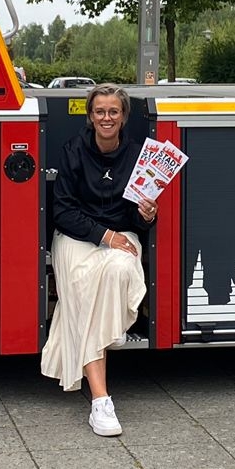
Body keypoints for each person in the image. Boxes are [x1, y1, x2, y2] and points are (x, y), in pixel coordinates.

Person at [41, 84, 156, 437]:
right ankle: (100, 399)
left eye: (114, 112)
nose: (107, 118)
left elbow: (137, 219)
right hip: (77, 239)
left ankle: (102, 337)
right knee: (82, 285)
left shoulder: (139, 156)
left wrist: (147, 215)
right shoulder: (73, 151)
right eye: (100, 112)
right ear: (91, 117)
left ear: (123, 117)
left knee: (121, 267)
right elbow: (62, 210)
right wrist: (104, 236)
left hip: (122, 237)